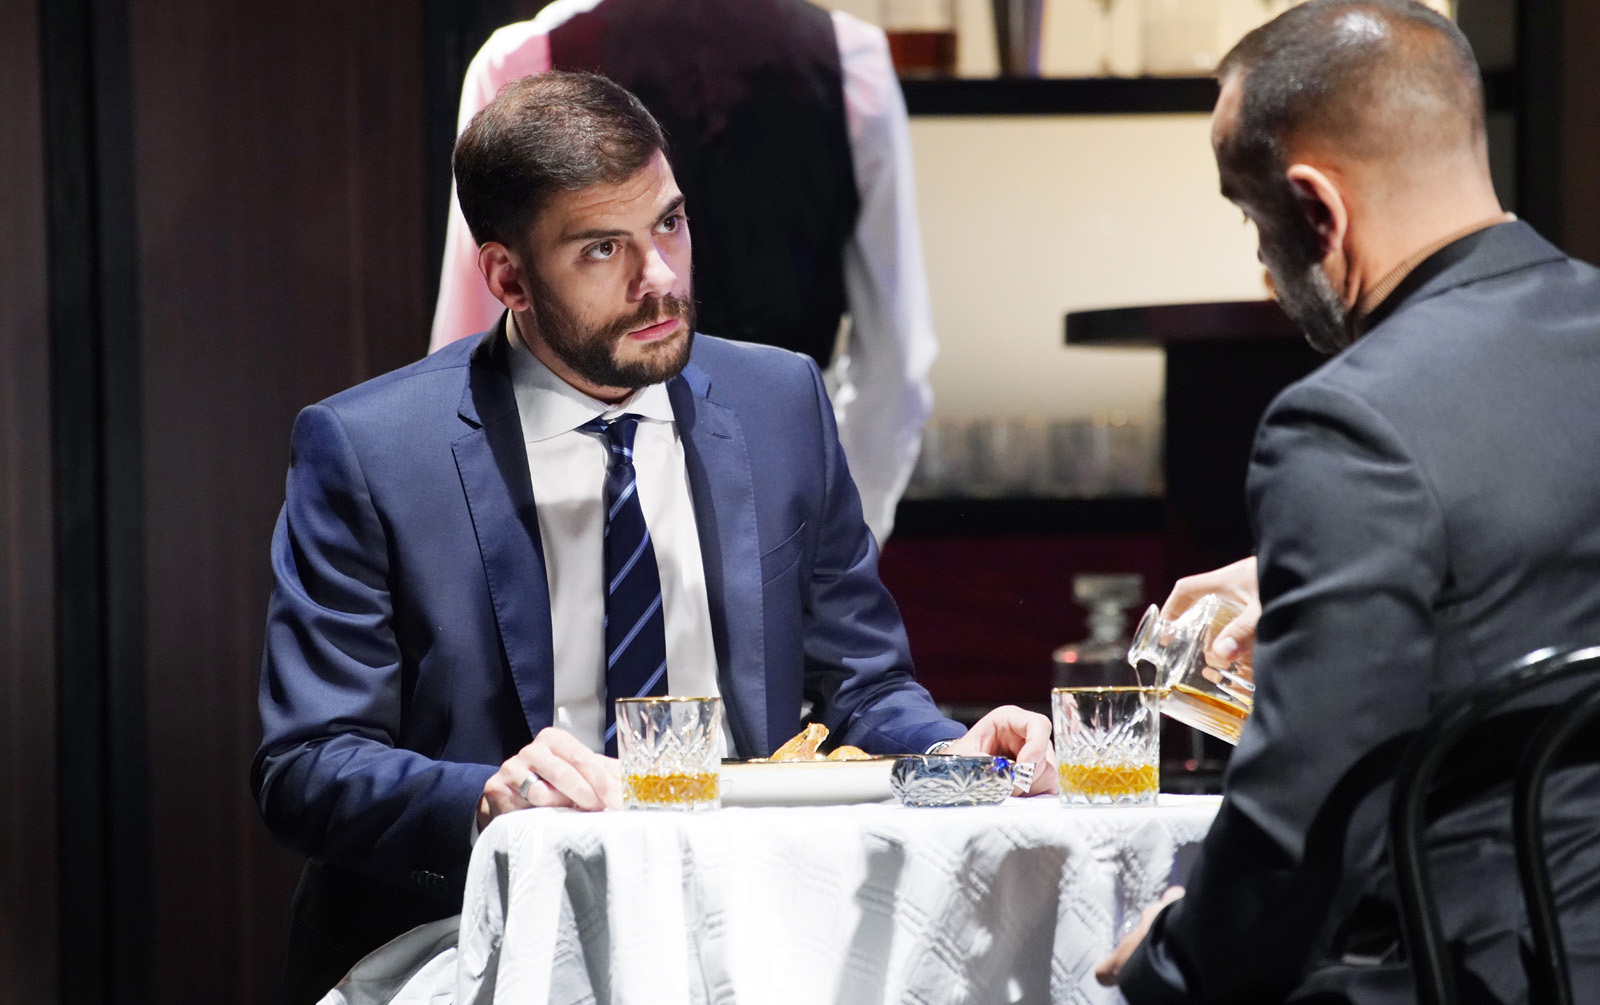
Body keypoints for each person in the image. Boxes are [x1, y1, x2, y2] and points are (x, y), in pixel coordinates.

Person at [252, 70, 1052, 1004]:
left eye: (669, 223)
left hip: (753, 926)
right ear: (508, 277)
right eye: (604, 248)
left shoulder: (781, 403)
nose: (661, 279)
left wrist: (948, 756)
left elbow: (863, 688)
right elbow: (308, 763)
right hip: (474, 934)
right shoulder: (371, 450)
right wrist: (485, 796)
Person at [1094, 2, 1600, 1002]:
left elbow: (1304, 825)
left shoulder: (1349, 424)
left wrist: (1171, 957)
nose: (1261, 268)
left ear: (1317, 208)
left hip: (1470, 972)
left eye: (1253, 220)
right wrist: (1322, 575)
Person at [429, 0, 938, 545]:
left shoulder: (524, 59)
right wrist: (839, 530)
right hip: (769, 503)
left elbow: (468, 356)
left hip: (578, 513)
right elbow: (897, 364)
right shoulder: (847, 59)